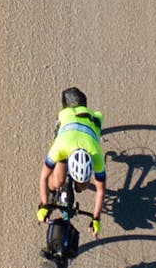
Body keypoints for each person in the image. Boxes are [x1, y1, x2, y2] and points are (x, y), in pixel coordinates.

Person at [37, 87, 105, 237]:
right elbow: (43, 177)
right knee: (56, 181)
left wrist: (96, 219)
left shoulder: (96, 155)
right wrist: (44, 204)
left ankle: (79, 183)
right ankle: (54, 191)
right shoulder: (59, 148)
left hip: (88, 128)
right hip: (68, 128)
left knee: (83, 186)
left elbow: (100, 190)